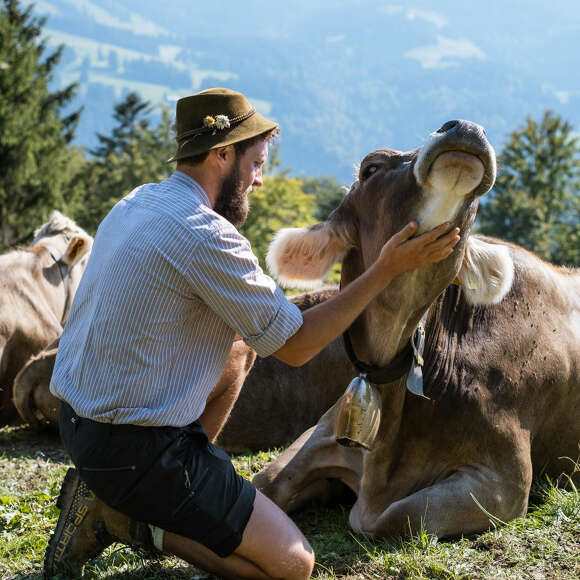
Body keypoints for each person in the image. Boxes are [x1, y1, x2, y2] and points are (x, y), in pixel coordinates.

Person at [44, 87, 460, 580]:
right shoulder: (206, 234)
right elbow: (299, 346)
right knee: (293, 566)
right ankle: (127, 521)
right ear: (223, 155)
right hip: (133, 450)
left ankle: (161, 493)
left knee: (241, 348)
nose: (260, 180)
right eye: (256, 163)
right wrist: (386, 269)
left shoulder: (137, 201)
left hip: (77, 422)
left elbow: (262, 332)